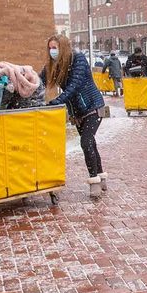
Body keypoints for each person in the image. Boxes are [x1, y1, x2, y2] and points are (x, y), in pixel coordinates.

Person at [40, 34, 108, 198]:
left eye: (54, 48)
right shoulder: (55, 64)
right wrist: (24, 81)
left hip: (93, 107)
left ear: (62, 47)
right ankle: (101, 176)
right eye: (49, 48)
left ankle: (94, 181)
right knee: (90, 143)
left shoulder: (78, 59)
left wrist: (57, 101)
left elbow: (74, 86)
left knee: (85, 142)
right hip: (77, 112)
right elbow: (39, 79)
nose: (52, 51)